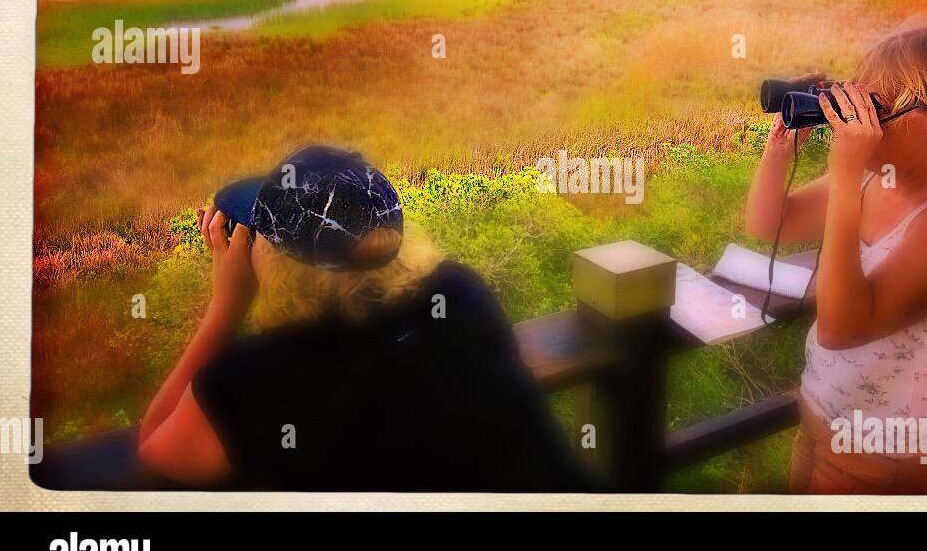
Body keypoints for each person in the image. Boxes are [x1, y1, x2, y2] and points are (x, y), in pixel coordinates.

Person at [137, 145, 591, 491]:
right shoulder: (459, 293)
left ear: (276, 258)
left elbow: (156, 448)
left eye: (257, 236)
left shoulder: (259, 378)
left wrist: (226, 306)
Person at [745, 24, 927, 495]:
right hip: (822, 422)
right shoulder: (883, 175)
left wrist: (846, 173)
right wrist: (781, 146)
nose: (859, 123)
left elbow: (840, 329)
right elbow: (772, 223)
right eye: (858, 102)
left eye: (877, 109)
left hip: (898, 459)